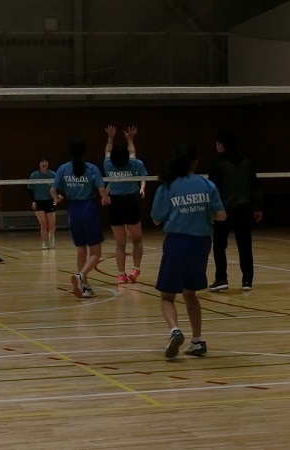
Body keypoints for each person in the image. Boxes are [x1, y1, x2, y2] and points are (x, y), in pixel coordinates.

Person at [151, 143, 226, 358]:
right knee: (190, 293)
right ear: (195, 162)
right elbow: (222, 216)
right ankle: (197, 340)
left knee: (167, 296)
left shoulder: (168, 185)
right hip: (201, 243)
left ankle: (175, 331)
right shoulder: (207, 184)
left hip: (177, 242)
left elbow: (156, 219)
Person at [51, 139, 110, 298]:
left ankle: (84, 287)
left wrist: (57, 198)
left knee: (81, 250)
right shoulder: (92, 168)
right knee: (96, 252)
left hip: (73, 211)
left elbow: (53, 190)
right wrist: (106, 198)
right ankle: (80, 276)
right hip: (88, 209)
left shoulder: (63, 168)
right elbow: (101, 189)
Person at [208, 132, 263, 292]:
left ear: (221, 144)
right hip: (244, 211)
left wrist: (212, 210)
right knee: (245, 246)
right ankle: (247, 281)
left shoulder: (218, 163)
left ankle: (221, 279)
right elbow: (256, 186)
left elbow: (213, 189)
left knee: (219, 246)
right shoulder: (247, 162)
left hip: (223, 211)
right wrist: (258, 207)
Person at [103, 125, 147, 284]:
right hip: (130, 202)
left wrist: (110, 138)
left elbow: (107, 150)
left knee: (120, 243)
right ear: (127, 156)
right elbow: (133, 152)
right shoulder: (135, 164)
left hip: (115, 204)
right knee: (137, 240)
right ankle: (135, 269)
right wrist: (130, 139)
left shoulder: (108, 165)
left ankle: (121, 274)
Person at [27, 157, 57, 250]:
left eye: (46, 161)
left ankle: (51, 235)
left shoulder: (53, 174)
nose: (44, 163)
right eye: (42, 162)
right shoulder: (34, 175)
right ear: (39, 164)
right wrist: (33, 201)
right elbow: (30, 189)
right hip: (38, 201)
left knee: (52, 224)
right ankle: (45, 242)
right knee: (43, 223)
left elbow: (57, 187)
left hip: (50, 201)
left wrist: (56, 196)